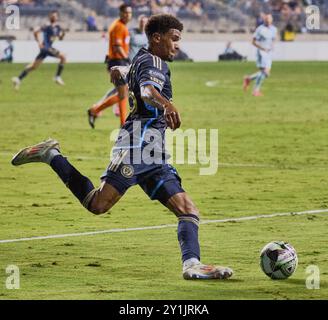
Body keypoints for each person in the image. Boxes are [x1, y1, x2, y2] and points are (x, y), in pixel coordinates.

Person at [11, 14, 233, 281]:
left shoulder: (143, 57)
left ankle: (192, 265)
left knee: (188, 209)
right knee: (98, 204)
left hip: (154, 151)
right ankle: (52, 155)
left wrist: (120, 72)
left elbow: (132, 76)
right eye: (174, 39)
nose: (177, 45)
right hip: (138, 145)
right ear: (157, 38)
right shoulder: (155, 62)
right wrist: (168, 104)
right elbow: (149, 91)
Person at [87, 4, 132, 129]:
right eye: (125, 13)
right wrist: (128, 61)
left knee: (123, 93)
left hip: (117, 61)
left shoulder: (121, 26)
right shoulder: (118, 26)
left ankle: (123, 124)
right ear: (120, 13)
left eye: (129, 13)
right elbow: (117, 47)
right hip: (119, 62)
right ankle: (95, 110)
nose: (128, 15)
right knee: (123, 93)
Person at [12, 11, 66, 90]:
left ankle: (18, 79)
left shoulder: (57, 27)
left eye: (55, 16)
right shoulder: (47, 25)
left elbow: (59, 38)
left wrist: (62, 35)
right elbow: (35, 32)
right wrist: (39, 42)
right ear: (50, 17)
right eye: (53, 16)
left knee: (33, 66)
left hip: (46, 49)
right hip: (46, 48)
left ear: (57, 17)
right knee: (63, 57)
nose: (54, 17)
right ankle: (57, 77)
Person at [243, 13, 277, 96]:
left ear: (272, 20)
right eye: (266, 19)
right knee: (265, 72)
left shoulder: (274, 29)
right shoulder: (260, 29)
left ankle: (248, 79)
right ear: (264, 20)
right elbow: (253, 42)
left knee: (265, 73)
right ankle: (255, 91)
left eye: (269, 19)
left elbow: (273, 39)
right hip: (261, 53)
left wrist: (272, 46)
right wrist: (262, 48)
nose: (268, 21)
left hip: (269, 53)